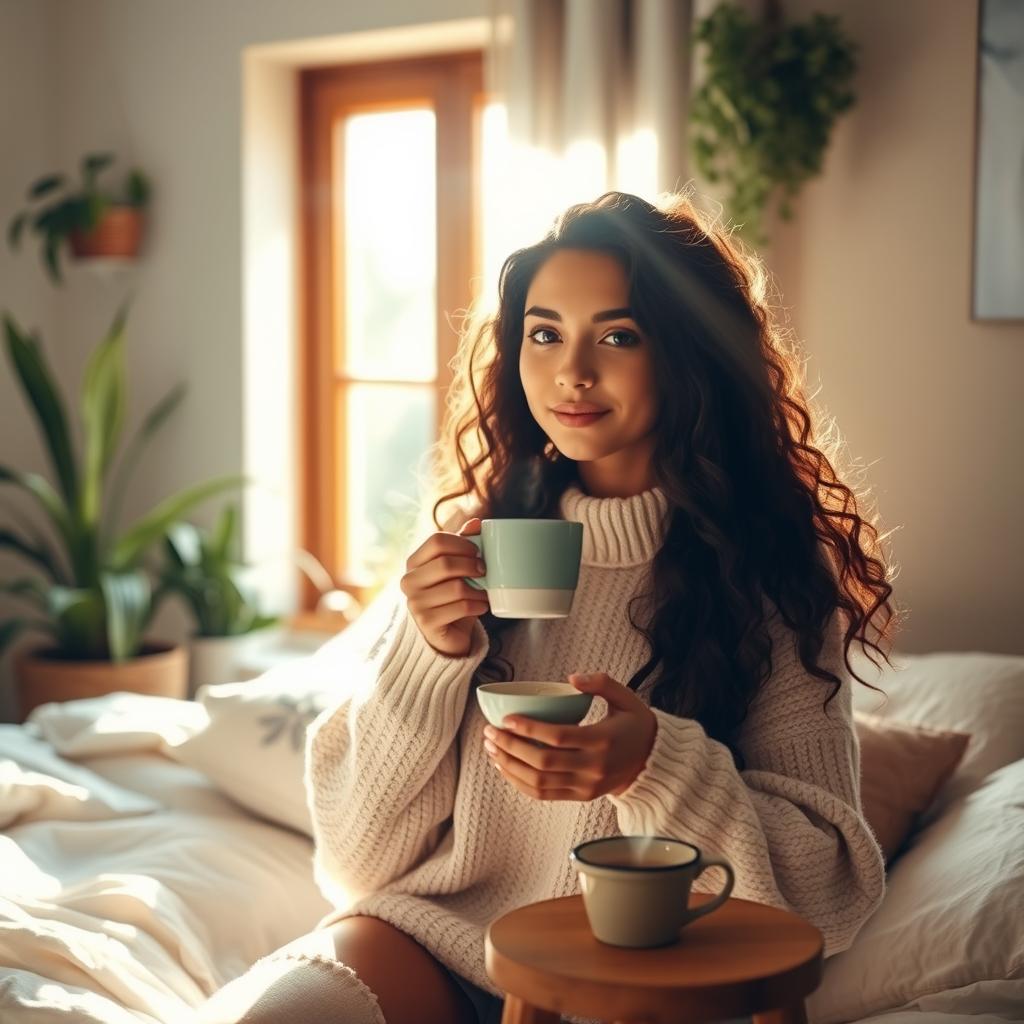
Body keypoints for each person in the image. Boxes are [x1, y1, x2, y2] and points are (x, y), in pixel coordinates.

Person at [198, 190, 898, 1024]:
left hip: (646, 976)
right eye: (543, 332)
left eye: (618, 335)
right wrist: (424, 658)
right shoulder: (477, 542)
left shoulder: (772, 576)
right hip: (439, 942)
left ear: (691, 355)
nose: (572, 371)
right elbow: (356, 861)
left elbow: (828, 893)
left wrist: (655, 765)